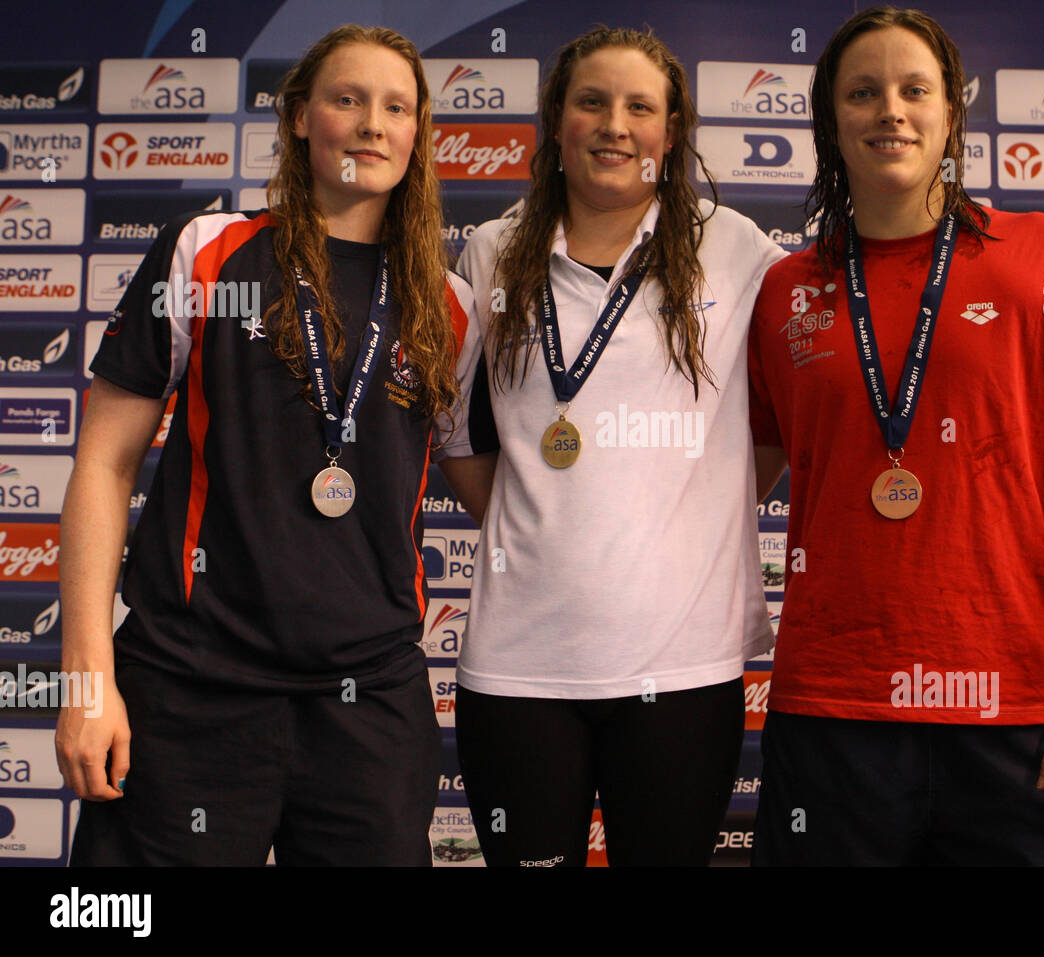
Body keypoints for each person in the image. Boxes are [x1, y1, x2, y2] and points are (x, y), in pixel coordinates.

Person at [57, 24, 476, 865]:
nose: (371, 123)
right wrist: (85, 682)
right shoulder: (205, 251)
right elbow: (101, 465)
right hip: (189, 689)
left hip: (370, 705)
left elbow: (498, 491)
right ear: (297, 118)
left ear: (417, 136)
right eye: (346, 99)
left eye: (397, 107)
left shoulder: (448, 301)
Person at [747, 6, 1044, 865]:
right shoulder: (786, 289)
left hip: (1018, 714)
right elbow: (732, 482)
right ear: (830, 121)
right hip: (833, 714)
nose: (890, 110)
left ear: (949, 115)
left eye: (913, 89)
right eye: (863, 92)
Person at [437, 26, 786, 867]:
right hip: (518, 668)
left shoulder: (735, 251)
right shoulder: (490, 252)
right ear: (557, 121)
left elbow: (775, 429)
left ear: (672, 131)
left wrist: (702, 493)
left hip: (684, 666)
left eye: (640, 107)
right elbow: (463, 440)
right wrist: (545, 519)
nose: (614, 125)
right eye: (592, 101)